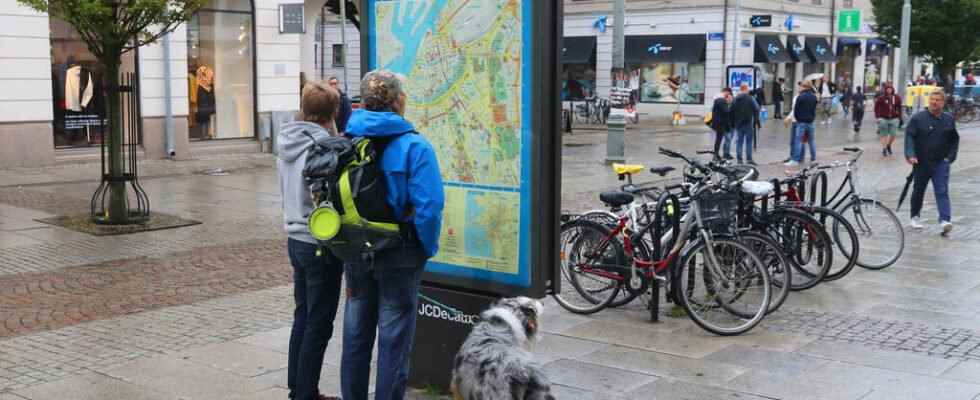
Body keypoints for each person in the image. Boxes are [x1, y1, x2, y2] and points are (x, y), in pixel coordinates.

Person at [341, 70, 446, 400]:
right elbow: (429, 207)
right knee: (394, 339)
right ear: (399, 101)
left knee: (356, 335)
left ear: (364, 102)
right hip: (400, 253)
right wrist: (425, 249)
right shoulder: (416, 147)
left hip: (357, 250)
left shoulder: (347, 141)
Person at [277, 81, 344, 400]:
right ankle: (305, 393)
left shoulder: (289, 140)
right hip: (318, 242)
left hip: (295, 239)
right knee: (319, 322)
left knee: (303, 315)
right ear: (332, 113)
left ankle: (298, 387)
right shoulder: (323, 147)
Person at [905, 89, 959, 234]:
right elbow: (909, 136)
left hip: (941, 162)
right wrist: (910, 154)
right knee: (919, 189)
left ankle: (945, 220)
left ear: (943, 102)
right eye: (932, 99)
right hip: (921, 162)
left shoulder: (948, 119)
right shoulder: (918, 118)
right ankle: (915, 216)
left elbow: (954, 139)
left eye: (937, 100)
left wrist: (950, 157)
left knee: (942, 190)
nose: (934, 102)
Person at [786, 80, 817, 167]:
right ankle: (813, 159)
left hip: (801, 122)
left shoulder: (801, 96)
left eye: (802, 86)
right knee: (811, 141)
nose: (801, 87)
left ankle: (795, 160)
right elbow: (814, 110)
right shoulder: (814, 97)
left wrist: (798, 119)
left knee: (798, 141)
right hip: (811, 122)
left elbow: (796, 110)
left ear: (805, 87)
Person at [731, 83, 760, 165]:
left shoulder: (736, 98)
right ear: (746, 89)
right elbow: (757, 108)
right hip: (748, 123)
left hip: (738, 123)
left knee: (739, 141)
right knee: (749, 142)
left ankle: (739, 160)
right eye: (748, 88)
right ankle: (749, 159)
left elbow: (731, 109)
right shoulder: (750, 98)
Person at [874, 84, 902, 157]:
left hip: (894, 118)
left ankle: (889, 145)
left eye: (890, 89)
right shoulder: (881, 98)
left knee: (893, 134)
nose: (889, 90)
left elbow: (899, 108)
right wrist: (878, 117)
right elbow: (876, 107)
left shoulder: (896, 97)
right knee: (884, 134)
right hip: (883, 118)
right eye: (888, 89)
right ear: (885, 90)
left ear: (893, 89)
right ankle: (884, 148)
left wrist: (899, 117)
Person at [711, 87, 734, 158]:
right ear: (726, 92)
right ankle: (717, 154)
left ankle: (717, 154)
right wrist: (729, 103)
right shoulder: (721, 100)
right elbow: (726, 111)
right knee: (720, 139)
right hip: (721, 123)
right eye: (728, 94)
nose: (728, 96)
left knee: (719, 139)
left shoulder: (717, 99)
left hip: (718, 123)